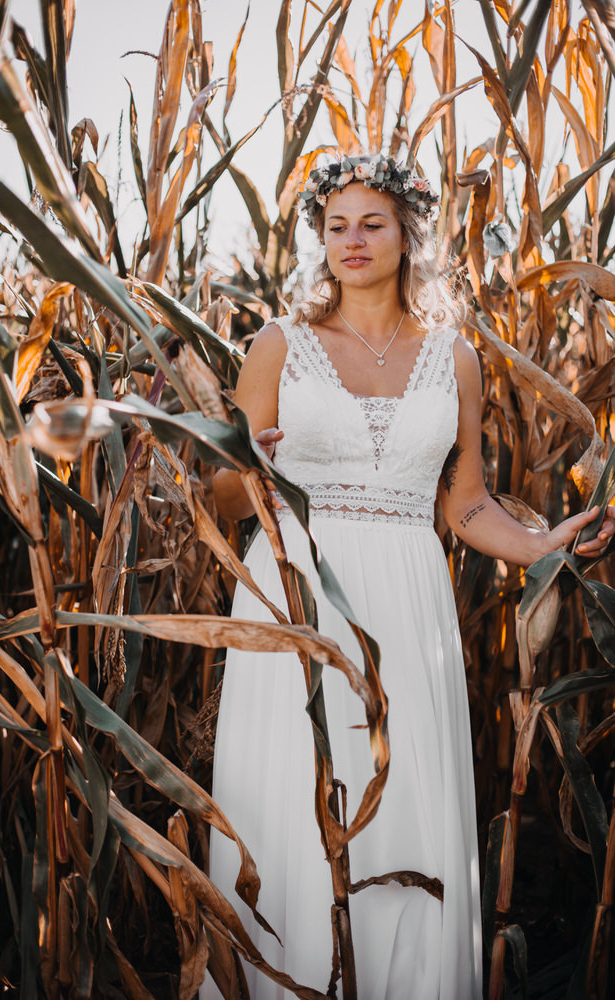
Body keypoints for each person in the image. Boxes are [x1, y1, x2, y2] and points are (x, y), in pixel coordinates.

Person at [201, 154, 614, 999]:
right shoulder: (278, 345)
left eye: (371, 223)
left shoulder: (451, 357)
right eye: (335, 226)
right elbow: (222, 495)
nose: (351, 241)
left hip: (408, 599)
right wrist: (253, 469)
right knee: (293, 791)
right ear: (319, 241)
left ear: (406, 234)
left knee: (401, 800)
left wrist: (545, 546)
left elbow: (462, 507)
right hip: (297, 591)